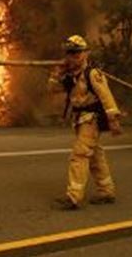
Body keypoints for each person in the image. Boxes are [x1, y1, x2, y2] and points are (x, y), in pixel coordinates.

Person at [50, 35, 123, 210]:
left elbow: (106, 97)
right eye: (69, 53)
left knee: (80, 154)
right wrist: (56, 75)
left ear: (85, 54)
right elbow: (53, 89)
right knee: (95, 157)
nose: (72, 57)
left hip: (91, 119)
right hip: (79, 120)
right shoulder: (69, 75)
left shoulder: (93, 74)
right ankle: (106, 191)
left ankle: (73, 197)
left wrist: (114, 121)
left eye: (76, 53)